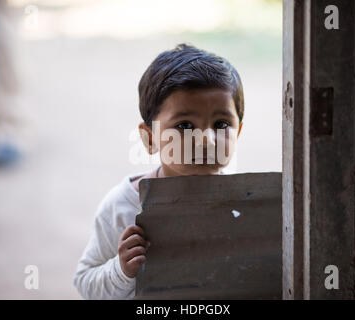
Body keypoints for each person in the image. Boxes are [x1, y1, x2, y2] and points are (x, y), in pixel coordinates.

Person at [73, 43, 245, 299]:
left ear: (238, 131)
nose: (206, 140)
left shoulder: (245, 203)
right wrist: (121, 271)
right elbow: (86, 283)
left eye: (221, 124)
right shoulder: (124, 207)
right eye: (185, 125)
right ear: (150, 138)